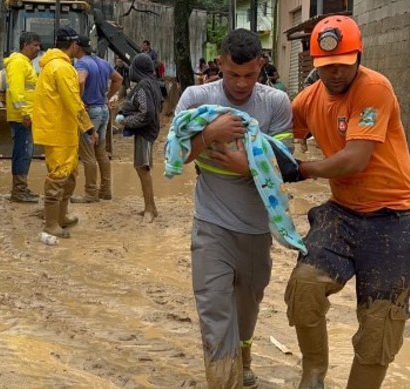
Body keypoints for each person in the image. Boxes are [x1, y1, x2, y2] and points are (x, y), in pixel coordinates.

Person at [286, 15, 410, 389]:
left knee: (380, 324)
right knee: (304, 287)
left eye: (343, 65)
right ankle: (313, 373)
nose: (335, 74)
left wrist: (303, 169)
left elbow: (354, 159)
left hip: (394, 218)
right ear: (314, 64)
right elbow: (277, 137)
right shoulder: (307, 101)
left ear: (359, 57)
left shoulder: (374, 88)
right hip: (343, 213)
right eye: (326, 67)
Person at [174, 29, 293, 388]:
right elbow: (175, 157)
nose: (241, 84)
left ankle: (242, 357)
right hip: (211, 226)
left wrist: (247, 167)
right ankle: (224, 380)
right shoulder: (197, 99)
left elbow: (284, 167)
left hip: (257, 231)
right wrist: (210, 133)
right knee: (215, 314)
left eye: (250, 75)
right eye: (232, 74)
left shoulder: (276, 104)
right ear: (220, 64)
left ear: (261, 66)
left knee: (247, 308)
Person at [32, 27, 94, 238]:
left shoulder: (51, 66)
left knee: (69, 174)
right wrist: (89, 127)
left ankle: (61, 216)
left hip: (59, 129)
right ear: (74, 45)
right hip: (59, 131)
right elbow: (73, 102)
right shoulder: (63, 69)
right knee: (59, 176)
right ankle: (51, 224)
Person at [72, 35, 123, 203]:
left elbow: (80, 80)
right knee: (101, 152)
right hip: (103, 110)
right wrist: (107, 97)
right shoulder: (102, 62)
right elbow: (118, 79)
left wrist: (79, 100)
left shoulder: (82, 63)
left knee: (87, 154)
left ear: (77, 47)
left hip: (90, 112)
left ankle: (91, 192)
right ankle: (106, 190)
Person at [115, 53, 162, 222]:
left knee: (143, 168)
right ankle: (149, 207)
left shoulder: (143, 86)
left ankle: (150, 208)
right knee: (142, 167)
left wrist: (126, 121)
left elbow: (146, 112)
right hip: (150, 130)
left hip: (145, 131)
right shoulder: (152, 83)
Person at [4, 32, 41, 203]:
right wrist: (25, 113)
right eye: (34, 45)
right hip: (22, 118)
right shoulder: (18, 63)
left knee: (26, 152)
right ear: (25, 44)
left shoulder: (25, 64)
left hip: (26, 116)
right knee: (23, 152)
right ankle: (18, 190)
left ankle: (22, 187)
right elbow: (16, 91)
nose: (37, 49)